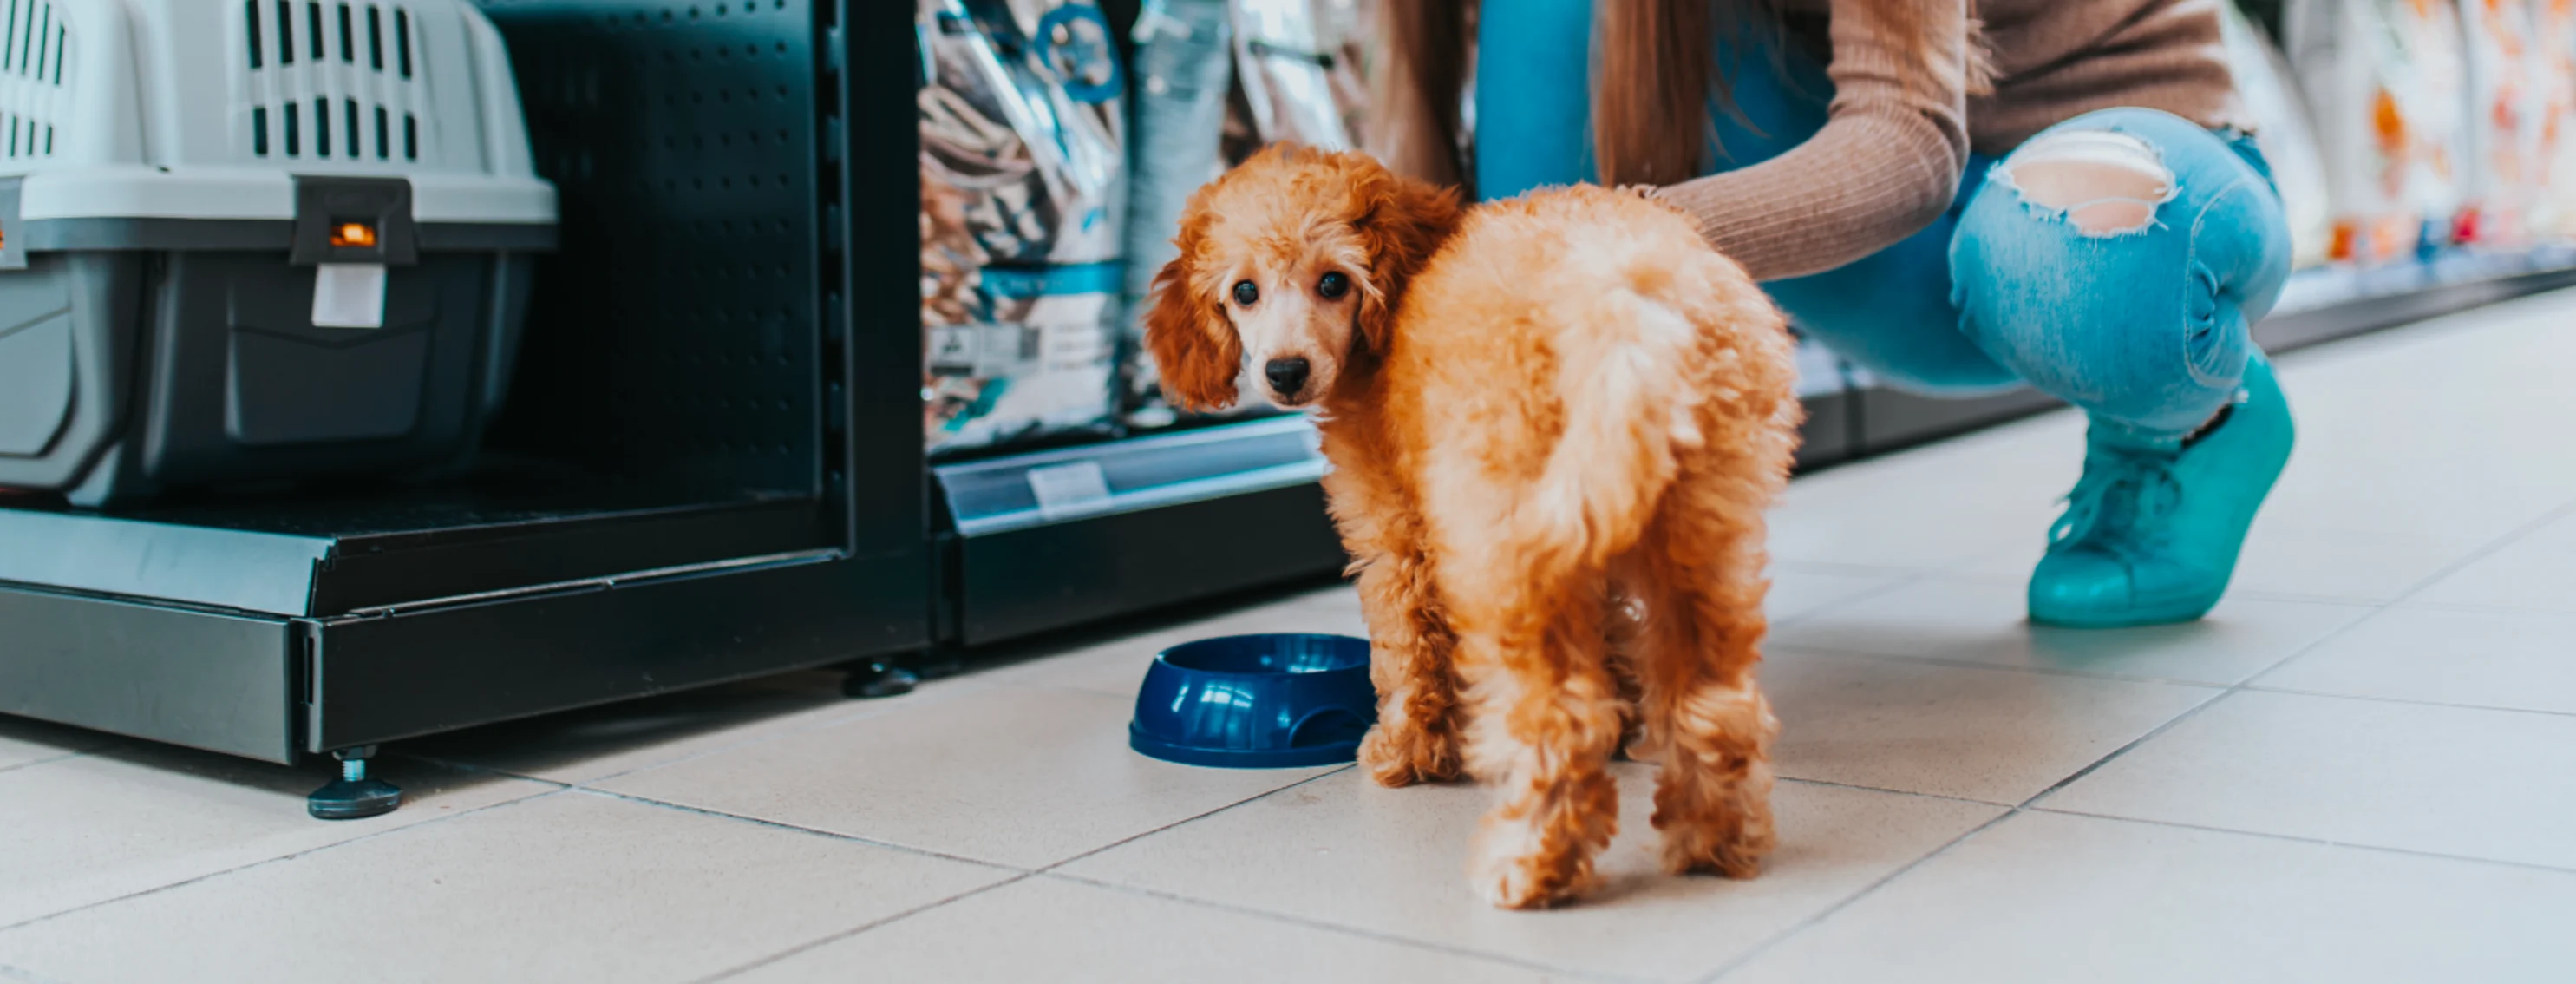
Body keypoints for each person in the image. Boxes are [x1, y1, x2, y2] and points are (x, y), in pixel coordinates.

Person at [1368, 0, 2295, 627]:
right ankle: (1549, 516)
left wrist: (1605, 239)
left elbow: (1906, 142)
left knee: (2069, 257)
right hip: (1905, 236)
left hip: (2117, 184)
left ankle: (2198, 423)